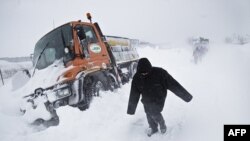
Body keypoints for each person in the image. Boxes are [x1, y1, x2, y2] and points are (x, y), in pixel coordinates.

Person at [127, 58, 193, 137]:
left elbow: (173, 84)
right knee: (148, 113)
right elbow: (134, 93)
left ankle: (162, 125)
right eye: (142, 73)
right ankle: (153, 128)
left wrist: (186, 96)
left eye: (146, 72)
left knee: (154, 112)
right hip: (146, 99)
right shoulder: (137, 78)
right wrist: (131, 109)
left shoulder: (160, 73)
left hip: (159, 97)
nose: (144, 74)